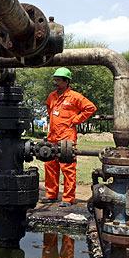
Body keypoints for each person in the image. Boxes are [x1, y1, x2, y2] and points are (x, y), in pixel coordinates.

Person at [42, 67, 97, 207]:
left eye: (58, 80)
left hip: (67, 137)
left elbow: (90, 108)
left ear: (67, 81)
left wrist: (75, 120)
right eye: (55, 79)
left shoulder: (75, 97)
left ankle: (68, 198)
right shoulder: (51, 96)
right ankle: (51, 194)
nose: (55, 82)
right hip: (52, 136)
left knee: (67, 168)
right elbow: (50, 111)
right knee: (50, 165)